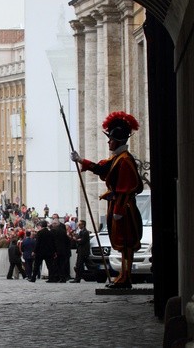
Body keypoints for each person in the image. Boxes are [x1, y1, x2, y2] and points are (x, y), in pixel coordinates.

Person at [71, 111, 144, 289]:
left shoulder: (124, 160)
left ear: (118, 141)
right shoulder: (117, 158)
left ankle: (126, 276)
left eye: (110, 139)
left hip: (123, 207)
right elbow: (101, 168)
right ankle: (123, 275)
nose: (108, 142)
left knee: (126, 243)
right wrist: (81, 159)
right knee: (122, 243)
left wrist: (118, 210)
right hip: (117, 205)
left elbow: (125, 189)